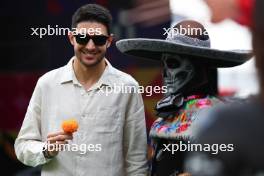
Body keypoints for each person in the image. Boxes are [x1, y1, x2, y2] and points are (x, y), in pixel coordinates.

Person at [14, 4, 148, 176]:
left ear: (109, 41)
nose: (91, 46)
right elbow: (23, 146)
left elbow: (136, 160)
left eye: (99, 39)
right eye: (83, 38)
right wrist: (46, 150)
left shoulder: (128, 87)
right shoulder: (47, 83)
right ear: (71, 38)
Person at [116, 20, 252, 175]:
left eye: (173, 63)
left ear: (198, 65)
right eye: (164, 65)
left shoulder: (217, 118)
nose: (165, 74)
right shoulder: (166, 115)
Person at [182, 0, 264, 175]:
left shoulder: (222, 122)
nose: (171, 74)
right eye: (167, 65)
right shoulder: (163, 116)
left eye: (188, 64)